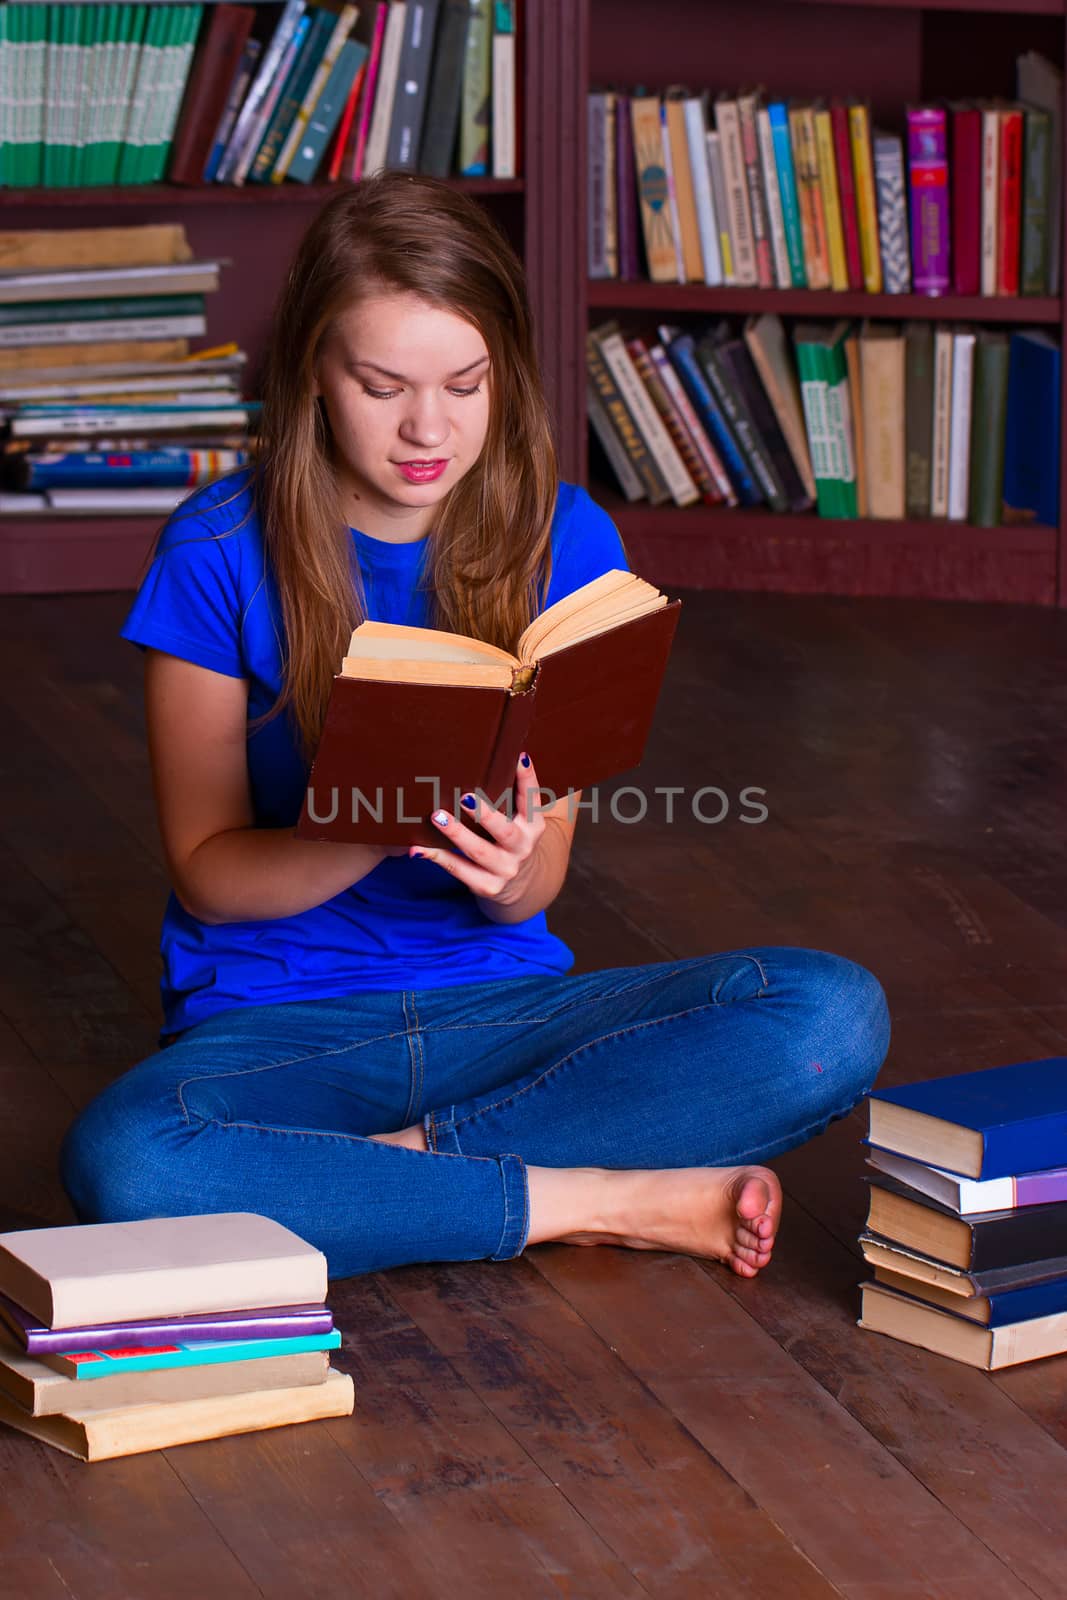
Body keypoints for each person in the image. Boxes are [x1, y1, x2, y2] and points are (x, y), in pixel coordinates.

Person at [59, 173, 890, 1282]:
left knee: (829, 1017)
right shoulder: (216, 551)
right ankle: (591, 1199)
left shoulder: (566, 540)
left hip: (503, 1018)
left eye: (464, 384)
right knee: (126, 1165)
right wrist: (376, 822)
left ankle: (382, 1176)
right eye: (381, 384)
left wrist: (506, 872)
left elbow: (540, 874)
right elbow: (209, 872)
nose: (427, 428)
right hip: (279, 1027)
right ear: (314, 370)